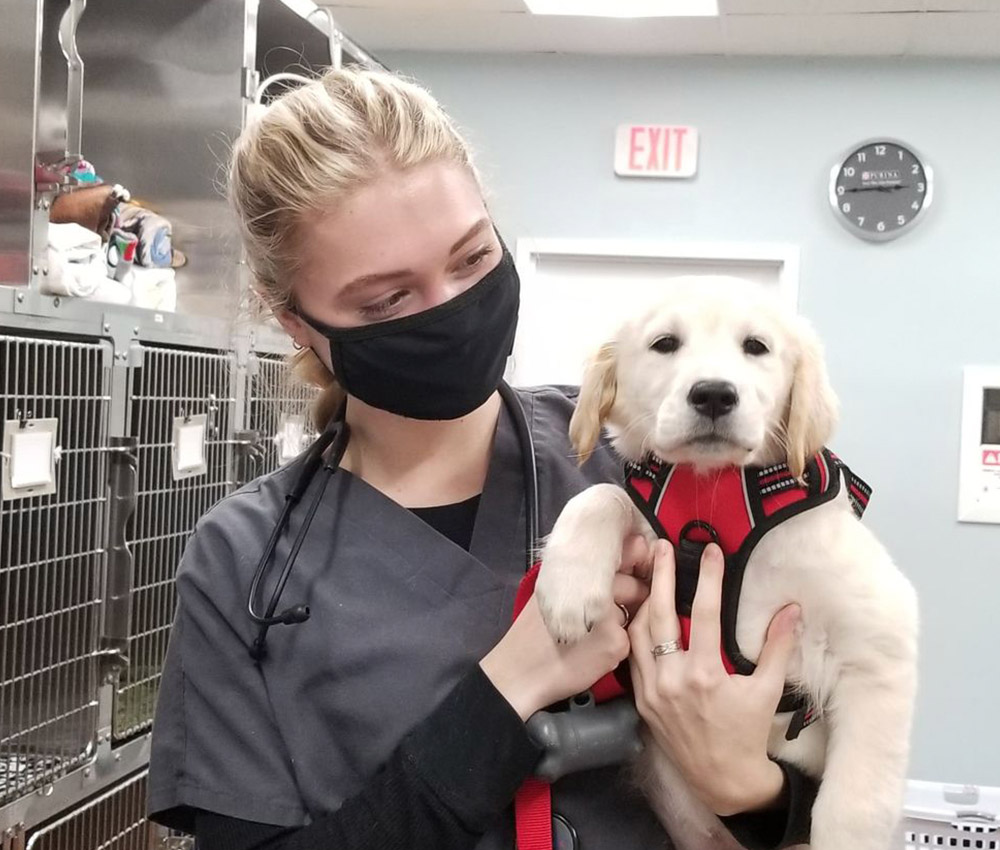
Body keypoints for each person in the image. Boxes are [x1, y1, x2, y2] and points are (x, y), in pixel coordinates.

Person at [147, 67, 816, 850]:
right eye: (387, 301)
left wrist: (755, 791)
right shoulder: (246, 560)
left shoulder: (639, 459)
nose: (451, 309)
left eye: (470, 261)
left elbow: (816, 748)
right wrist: (510, 687)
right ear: (293, 320)